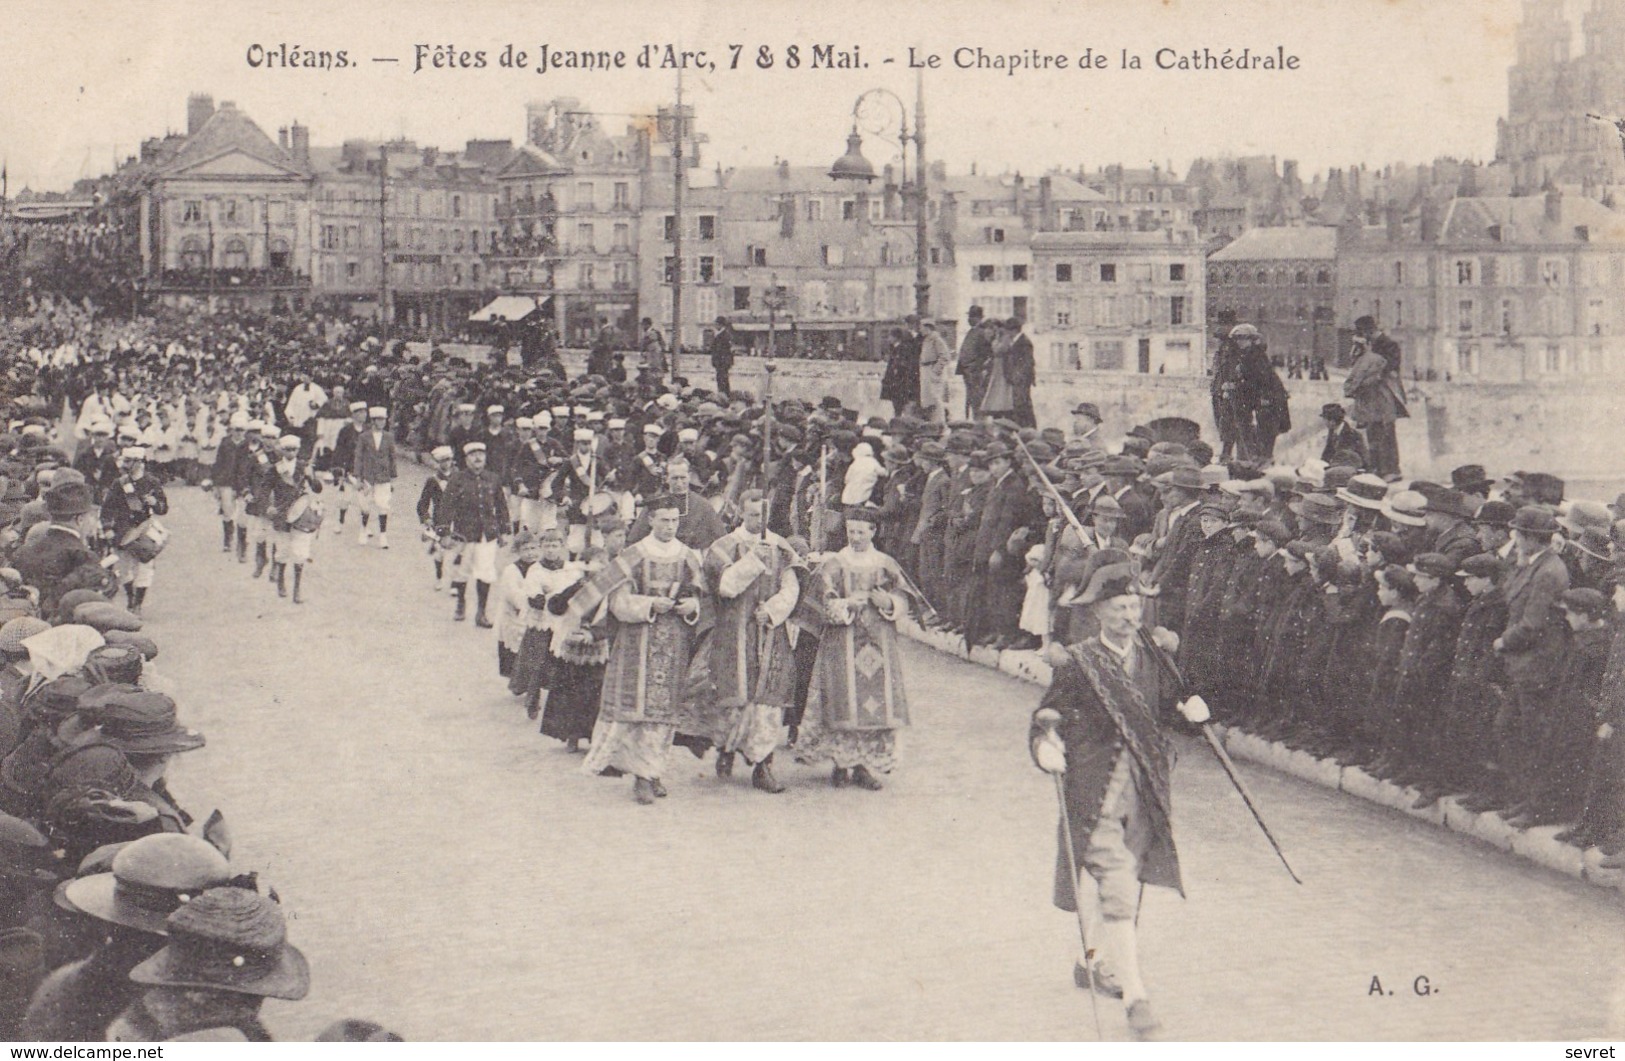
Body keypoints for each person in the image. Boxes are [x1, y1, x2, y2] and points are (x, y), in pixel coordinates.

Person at [1029, 560, 1207, 1041]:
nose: (1131, 616)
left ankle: (1089, 961)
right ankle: (1136, 998)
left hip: (1145, 788)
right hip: (1095, 789)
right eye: (1120, 608)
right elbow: (1048, 712)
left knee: (1117, 882)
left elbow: (1171, 701)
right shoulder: (1081, 662)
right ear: (1099, 614)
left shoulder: (1152, 657)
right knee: (1119, 887)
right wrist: (1046, 744)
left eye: (1136, 606)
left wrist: (1190, 708)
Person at [570, 494, 707, 804]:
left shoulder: (687, 556)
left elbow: (699, 596)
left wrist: (691, 605)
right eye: (664, 520)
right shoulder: (633, 555)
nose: (670, 526)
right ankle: (640, 777)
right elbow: (618, 603)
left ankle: (653, 771)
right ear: (650, 520)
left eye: (675, 520)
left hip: (673, 641)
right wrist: (650, 605)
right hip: (637, 640)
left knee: (663, 710)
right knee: (638, 710)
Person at [794, 506, 916, 791]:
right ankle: (841, 764)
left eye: (861, 531)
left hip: (878, 642)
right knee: (842, 698)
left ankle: (863, 767)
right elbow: (821, 602)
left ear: (873, 531)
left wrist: (887, 602)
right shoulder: (835, 563)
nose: (856, 537)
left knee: (872, 703)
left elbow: (904, 597)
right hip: (842, 641)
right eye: (851, 531)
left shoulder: (885, 563)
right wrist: (845, 605)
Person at [703, 491, 801, 793]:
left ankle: (763, 765)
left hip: (770, 634)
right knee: (736, 699)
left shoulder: (780, 546)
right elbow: (726, 587)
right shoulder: (725, 546)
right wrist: (752, 561)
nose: (759, 520)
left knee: (768, 704)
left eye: (763, 515)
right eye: (753, 514)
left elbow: (791, 587)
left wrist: (772, 611)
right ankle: (727, 748)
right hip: (735, 633)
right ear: (742, 514)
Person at [439, 441, 510, 627]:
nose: (478, 458)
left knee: (485, 572)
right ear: (466, 459)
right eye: (473, 454)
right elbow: (446, 506)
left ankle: (481, 612)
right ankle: (461, 604)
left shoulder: (493, 479)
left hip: (487, 534)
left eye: (481, 454)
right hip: (464, 534)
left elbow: (501, 506)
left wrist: (505, 530)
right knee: (462, 572)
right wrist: (444, 532)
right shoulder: (457, 479)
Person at [98, 447, 168, 616]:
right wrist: (108, 528)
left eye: (129, 461)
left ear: (139, 462)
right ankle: (130, 598)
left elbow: (163, 508)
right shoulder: (119, 483)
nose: (125, 465)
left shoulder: (152, 482)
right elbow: (107, 509)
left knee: (145, 567)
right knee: (124, 569)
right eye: (125, 461)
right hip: (123, 531)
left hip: (144, 529)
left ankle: (137, 604)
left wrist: (154, 502)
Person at [1344, 316, 1407, 479]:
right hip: (1372, 397)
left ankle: (1391, 470)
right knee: (1373, 432)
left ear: (1367, 331)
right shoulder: (1369, 346)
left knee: (1386, 432)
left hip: (1384, 394)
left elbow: (1389, 369)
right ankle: (1378, 468)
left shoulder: (1389, 344)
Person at [352, 406, 397, 549]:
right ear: (373, 421)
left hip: (383, 477)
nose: (382, 422)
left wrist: (393, 478)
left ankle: (383, 536)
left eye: (384, 419)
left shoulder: (389, 437)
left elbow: (392, 457)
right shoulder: (364, 437)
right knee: (365, 505)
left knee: (383, 505)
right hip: (367, 476)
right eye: (379, 420)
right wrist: (358, 478)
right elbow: (358, 457)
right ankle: (363, 530)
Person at [955, 306, 995, 418]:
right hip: (968, 372)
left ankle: (979, 423)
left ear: (979, 318)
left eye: (972, 316)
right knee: (972, 400)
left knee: (978, 400)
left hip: (975, 372)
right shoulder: (972, 331)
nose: (969, 319)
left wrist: (975, 367)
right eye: (969, 316)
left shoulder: (982, 332)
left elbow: (986, 354)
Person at [709, 316, 735, 397]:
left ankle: (723, 396)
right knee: (722, 380)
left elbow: (721, 350)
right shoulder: (723, 334)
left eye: (716, 324)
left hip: (722, 363)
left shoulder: (723, 335)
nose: (715, 326)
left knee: (722, 380)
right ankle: (724, 395)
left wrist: (718, 361)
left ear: (720, 325)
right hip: (722, 362)